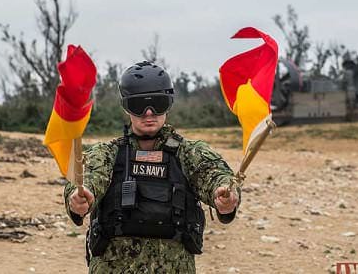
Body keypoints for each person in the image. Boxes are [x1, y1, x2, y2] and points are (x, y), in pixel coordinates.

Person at [64, 61, 240, 274]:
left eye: (158, 103)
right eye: (139, 106)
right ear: (126, 107)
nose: (149, 113)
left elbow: (214, 173)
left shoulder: (189, 152)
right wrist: (80, 198)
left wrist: (225, 195)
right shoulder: (107, 153)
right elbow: (88, 177)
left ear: (169, 103)